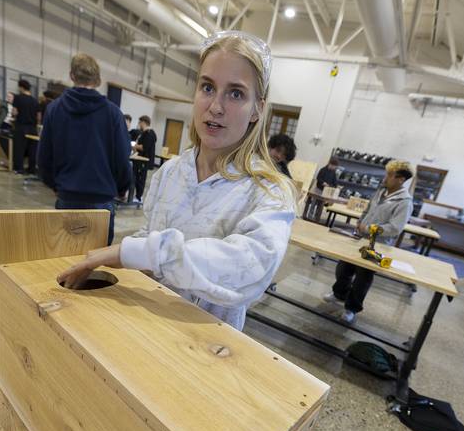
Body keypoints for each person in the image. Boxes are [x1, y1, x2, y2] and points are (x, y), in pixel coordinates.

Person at [57, 31, 296, 331]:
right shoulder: (171, 172)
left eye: (236, 93)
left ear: (257, 109)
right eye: (208, 87)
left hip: (206, 345)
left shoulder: (267, 190)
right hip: (147, 326)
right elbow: (150, 234)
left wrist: (131, 252)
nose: (216, 106)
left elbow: (250, 267)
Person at [37, 53, 131, 245]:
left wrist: (54, 185)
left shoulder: (54, 109)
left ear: (72, 75)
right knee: (97, 260)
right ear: (98, 80)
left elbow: (44, 157)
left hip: (67, 195)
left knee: (65, 257)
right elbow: (122, 157)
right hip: (102, 198)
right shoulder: (113, 113)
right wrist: (122, 188)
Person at [324, 160, 414, 324]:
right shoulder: (381, 191)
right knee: (343, 268)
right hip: (359, 239)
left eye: (389, 175)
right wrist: (360, 222)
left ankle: (351, 308)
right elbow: (367, 209)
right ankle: (339, 295)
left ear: (400, 179)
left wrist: (369, 228)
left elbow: (395, 228)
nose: (385, 178)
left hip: (378, 245)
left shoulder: (405, 202)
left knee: (362, 278)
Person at [12, 79, 39, 176]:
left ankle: (19, 168)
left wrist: (14, 116)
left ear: (21, 87)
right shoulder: (35, 101)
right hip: (32, 128)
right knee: (32, 150)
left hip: (21, 126)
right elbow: (38, 116)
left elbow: (14, 112)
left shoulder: (18, 98)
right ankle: (31, 169)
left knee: (19, 148)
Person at [133, 115, 157, 203]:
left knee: (141, 179)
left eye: (140, 122)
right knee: (137, 178)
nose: (139, 124)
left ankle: (139, 197)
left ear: (143, 122)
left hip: (144, 160)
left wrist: (135, 146)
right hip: (139, 158)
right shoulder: (144, 133)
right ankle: (137, 195)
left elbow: (144, 147)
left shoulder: (150, 133)